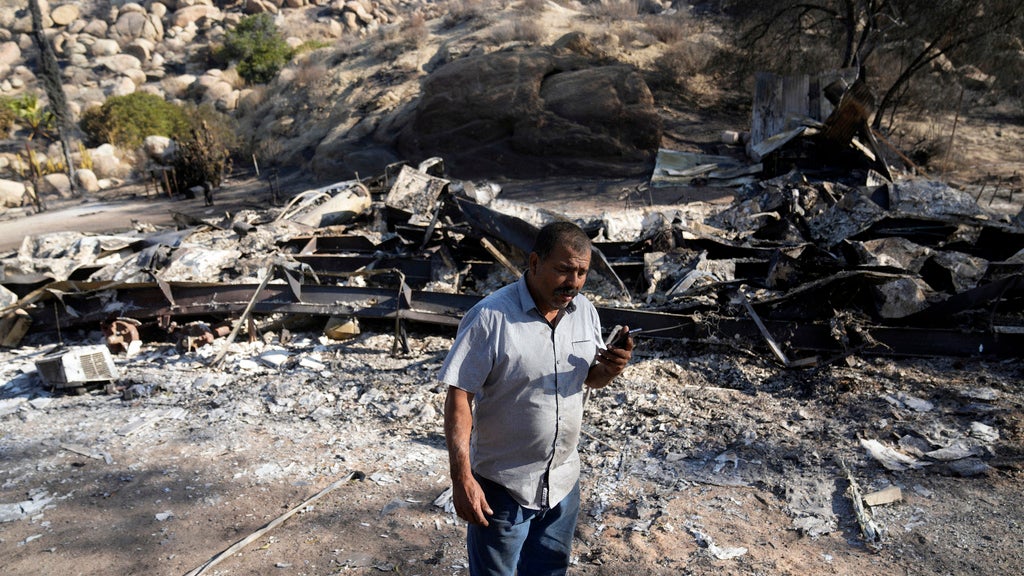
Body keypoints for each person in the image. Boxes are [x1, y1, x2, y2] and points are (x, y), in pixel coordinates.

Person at [440, 221, 633, 576]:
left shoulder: (585, 312)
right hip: (503, 489)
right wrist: (461, 479)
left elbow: (587, 379)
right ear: (533, 263)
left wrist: (609, 370)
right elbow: (459, 397)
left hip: (562, 485)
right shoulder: (490, 318)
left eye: (582, 273)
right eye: (563, 270)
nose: (573, 282)